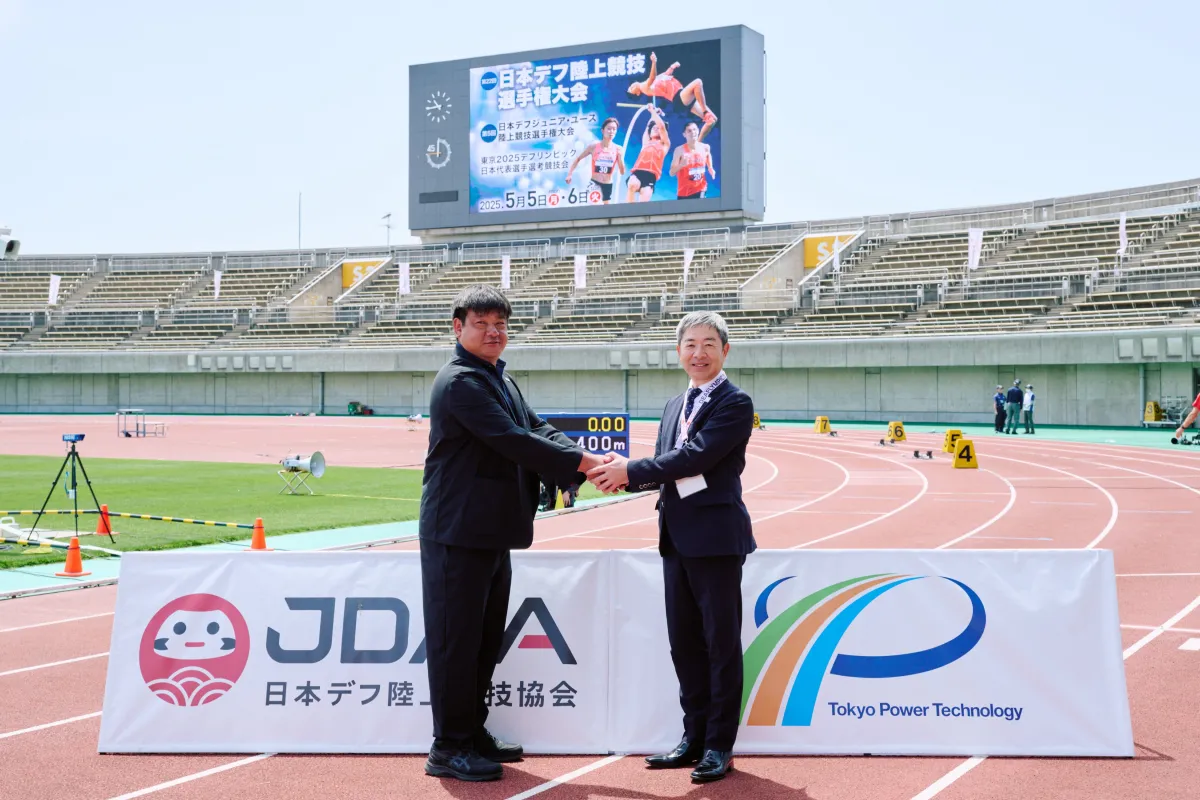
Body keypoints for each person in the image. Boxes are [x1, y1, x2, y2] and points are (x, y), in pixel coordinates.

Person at [419, 284, 609, 782]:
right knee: (456, 642)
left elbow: (538, 428)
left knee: (483, 641)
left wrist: (587, 459)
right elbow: (512, 439)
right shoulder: (460, 382)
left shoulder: (498, 378)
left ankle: (471, 731)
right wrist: (586, 464)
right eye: (481, 323)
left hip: (488, 530)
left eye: (500, 324)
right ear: (458, 327)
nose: (493, 332)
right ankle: (448, 746)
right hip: (456, 532)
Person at [587, 310, 755, 784]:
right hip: (675, 539)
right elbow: (667, 467)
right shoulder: (673, 404)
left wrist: (630, 470)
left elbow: (695, 457)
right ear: (678, 351)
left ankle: (719, 745)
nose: (698, 353)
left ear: (725, 350)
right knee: (684, 644)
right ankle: (693, 737)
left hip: (716, 540)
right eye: (689, 345)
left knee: (720, 645)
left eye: (708, 344)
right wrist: (622, 475)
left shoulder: (735, 403)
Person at [627, 51, 718, 139]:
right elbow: (653, 77)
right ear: (637, 93)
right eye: (631, 89)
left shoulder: (646, 83)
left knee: (712, 120)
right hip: (679, 97)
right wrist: (654, 62)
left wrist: (672, 67)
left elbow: (664, 75)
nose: (631, 86)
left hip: (684, 96)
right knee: (698, 82)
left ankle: (697, 143)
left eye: (630, 87)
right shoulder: (644, 88)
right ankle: (705, 112)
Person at [565, 117, 625, 204]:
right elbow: (578, 159)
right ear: (602, 131)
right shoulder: (593, 146)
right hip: (594, 183)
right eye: (609, 129)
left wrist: (620, 157)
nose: (611, 131)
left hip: (607, 184)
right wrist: (569, 174)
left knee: (607, 209)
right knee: (593, 206)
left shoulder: (618, 149)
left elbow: (622, 172)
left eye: (614, 129)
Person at [627, 106, 670, 203]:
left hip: (651, 176)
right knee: (632, 184)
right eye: (653, 128)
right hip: (638, 172)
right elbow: (648, 126)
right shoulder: (646, 143)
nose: (656, 129)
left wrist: (653, 112)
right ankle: (629, 209)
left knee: (644, 201)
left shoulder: (665, 145)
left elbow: (662, 127)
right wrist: (653, 115)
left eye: (657, 128)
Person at [669, 122, 715, 200]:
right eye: (689, 131)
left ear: (698, 131)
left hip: (701, 188)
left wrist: (710, 167)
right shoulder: (679, 151)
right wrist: (681, 165)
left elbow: (708, 155)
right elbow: (671, 173)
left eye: (694, 129)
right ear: (684, 134)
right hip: (684, 192)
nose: (693, 132)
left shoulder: (705, 147)